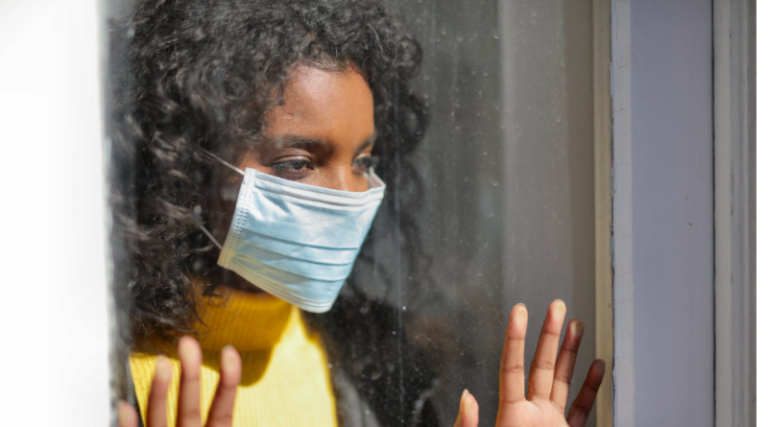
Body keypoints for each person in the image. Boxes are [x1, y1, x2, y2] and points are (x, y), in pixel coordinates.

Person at [109, 0, 605, 426]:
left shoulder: (381, 362)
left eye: (363, 160)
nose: (350, 193)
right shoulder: (98, 374)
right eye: (298, 163)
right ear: (182, 162)